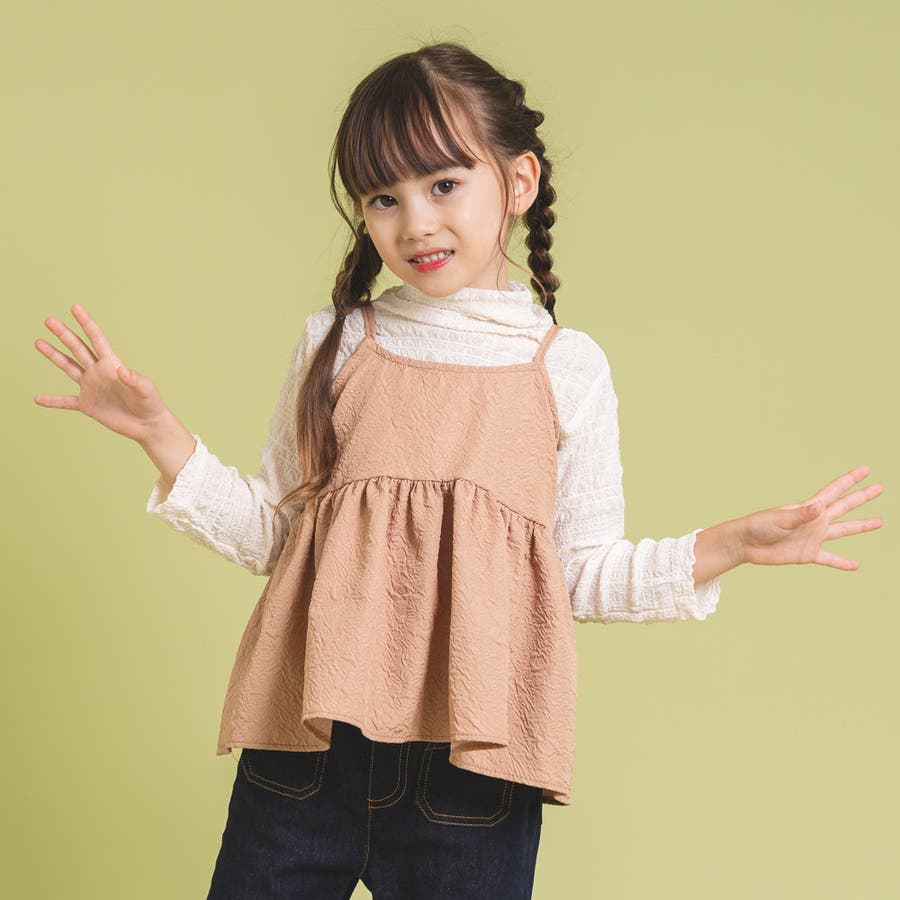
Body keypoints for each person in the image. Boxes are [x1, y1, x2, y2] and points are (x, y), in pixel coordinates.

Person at [33, 40, 883, 900]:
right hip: (308, 745)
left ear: (519, 181)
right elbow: (281, 540)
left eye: (443, 184)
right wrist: (161, 435)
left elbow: (579, 574)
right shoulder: (338, 344)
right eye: (383, 197)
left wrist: (731, 544)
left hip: (473, 768)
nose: (414, 223)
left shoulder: (567, 369)